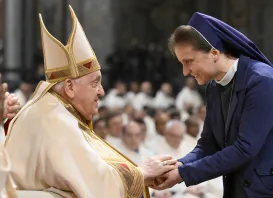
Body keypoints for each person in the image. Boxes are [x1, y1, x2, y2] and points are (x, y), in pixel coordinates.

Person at [5, 6, 176, 198]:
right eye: (95, 83)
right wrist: (140, 174)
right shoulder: (55, 119)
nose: (101, 91)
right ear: (69, 87)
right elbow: (94, 183)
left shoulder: (52, 108)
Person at [152, 12, 273, 198]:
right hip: (247, 187)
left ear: (214, 53)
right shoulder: (214, 86)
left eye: (189, 62)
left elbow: (245, 148)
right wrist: (180, 165)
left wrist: (184, 174)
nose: (186, 71)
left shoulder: (261, 81)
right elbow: (208, 144)